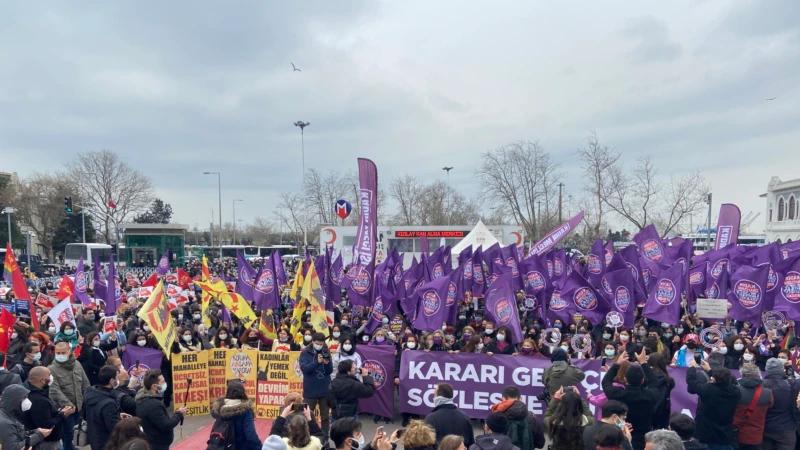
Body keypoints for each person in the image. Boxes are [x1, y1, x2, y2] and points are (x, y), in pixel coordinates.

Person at [602, 351, 661, 450]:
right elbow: (655, 382)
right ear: (642, 380)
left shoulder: (618, 394)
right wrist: (643, 363)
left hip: (620, 437)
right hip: (643, 439)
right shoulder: (650, 395)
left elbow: (605, 382)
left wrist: (617, 364)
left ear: (625, 379)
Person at [686, 360, 741, 450]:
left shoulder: (709, 390)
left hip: (707, 434)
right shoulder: (736, 391)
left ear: (713, 379)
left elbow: (692, 381)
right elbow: (724, 382)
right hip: (726, 434)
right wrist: (710, 370)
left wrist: (692, 368)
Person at [49, 341, 91, 450]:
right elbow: (54, 390)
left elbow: (85, 383)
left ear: (69, 352)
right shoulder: (52, 369)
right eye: (58, 353)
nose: (60, 355)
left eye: (63, 352)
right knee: (68, 435)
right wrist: (69, 405)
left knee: (75, 433)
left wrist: (87, 399)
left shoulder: (77, 364)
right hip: (65, 409)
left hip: (79, 406)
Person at [22, 366, 75, 450]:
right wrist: (62, 414)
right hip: (46, 443)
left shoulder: (34, 392)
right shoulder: (39, 400)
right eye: (49, 375)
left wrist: (56, 412)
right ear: (42, 380)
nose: (51, 377)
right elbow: (46, 425)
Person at [135, 369, 187, 450]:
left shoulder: (145, 398)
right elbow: (166, 425)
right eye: (162, 382)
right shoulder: (153, 405)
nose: (165, 383)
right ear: (154, 386)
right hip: (158, 444)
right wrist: (179, 414)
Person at [298, 332, 333, 437]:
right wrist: (317, 362)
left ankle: (324, 437)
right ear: (312, 341)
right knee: (307, 415)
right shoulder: (305, 353)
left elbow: (330, 371)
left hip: (324, 389)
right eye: (317, 343)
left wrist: (326, 364)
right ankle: (306, 437)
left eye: (321, 344)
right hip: (310, 389)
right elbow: (305, 369)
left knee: (325, 417)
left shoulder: (326, 352)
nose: (319, 345)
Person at [210, 380, 262, 450]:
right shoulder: (245, 410)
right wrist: (260, 446)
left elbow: (213, 414)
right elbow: (250, 434)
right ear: (243, 393)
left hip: (221, 444)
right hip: (240, 446)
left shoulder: (219, 407)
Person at [761, 357, 800, 450]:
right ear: (782, 370)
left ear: (767, 370)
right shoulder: (793, 384)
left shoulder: (760, 385)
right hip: (786, 428)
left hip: (765, 428)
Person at [84, 365, 126, 450]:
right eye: (117, 377)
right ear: (111, 381)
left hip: (94, 438)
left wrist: (118, 414)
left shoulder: (90, 393)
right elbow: (114, 427)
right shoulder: (108, 403)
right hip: (106, 443)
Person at [490, 386, 545, 450]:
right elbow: (540, 444)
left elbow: (488, 441)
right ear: (520, 398)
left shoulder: (496, 416)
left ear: (502, 398)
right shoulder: (533, 417)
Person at [733, 363, 774, 450]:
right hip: (756, 437)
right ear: (759, 375)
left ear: (742, 375)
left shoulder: (735, 390)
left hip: (738, 435)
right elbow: (770, 405)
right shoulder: (767, 392)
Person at [0, 384, 52, 450]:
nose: (27, 400)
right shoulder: (5, 422)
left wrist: (34, 432)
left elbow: (16, 433)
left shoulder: (11, 414)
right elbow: (14, 447)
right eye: (24, 397)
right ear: (15, 400)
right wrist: (39, 435)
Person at [424, 383, 475, 447]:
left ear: (438, 397)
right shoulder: (465, 417)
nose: (433, 398)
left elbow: (425, 444)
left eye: (434, 395)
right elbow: (471, 445)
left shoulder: (431, 419)